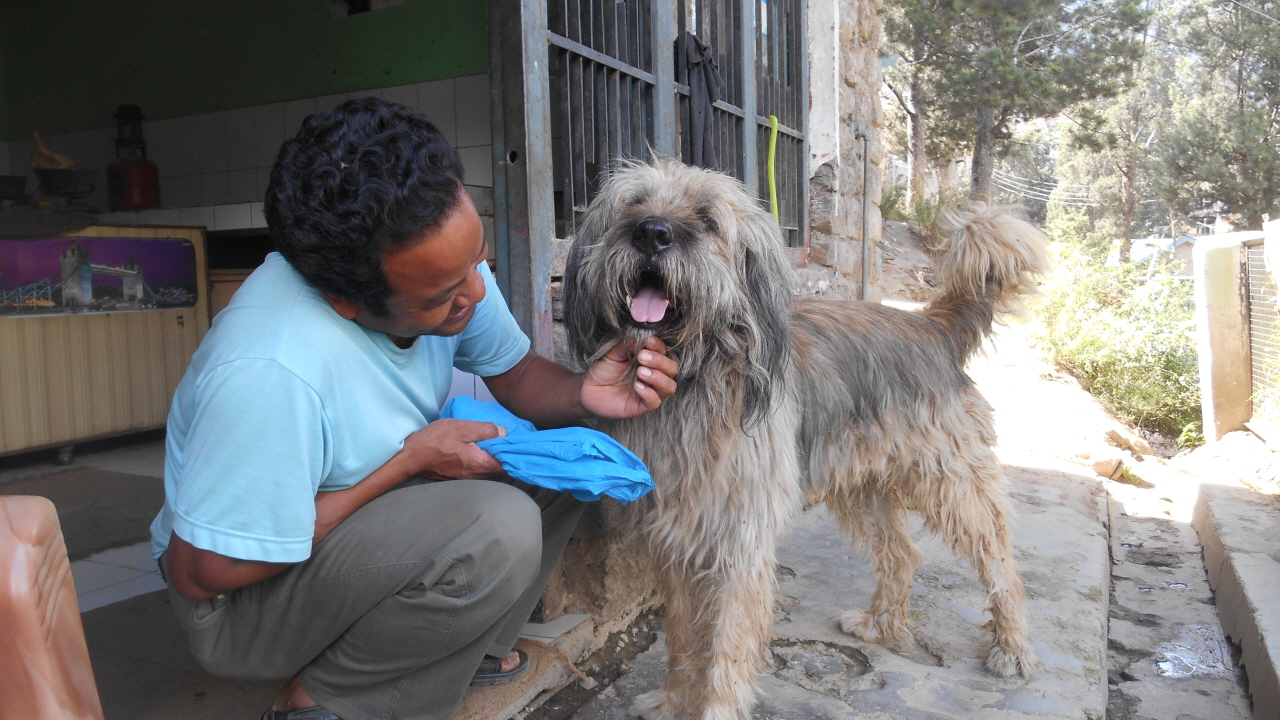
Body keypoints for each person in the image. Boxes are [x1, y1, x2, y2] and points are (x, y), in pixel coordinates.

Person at [147, 98, 678, 720]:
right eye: (445, 295)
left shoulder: (445, 267)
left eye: (477, 259)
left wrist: (585, 393)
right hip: (242, 607)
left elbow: (516, 372)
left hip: (342, 533)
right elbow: (204, 569)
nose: (476, 294)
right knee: (494, 526)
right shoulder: (271, 368)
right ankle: (331, 697)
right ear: (346, 300)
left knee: (563, 459)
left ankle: (464, 645)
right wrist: (406, 465)